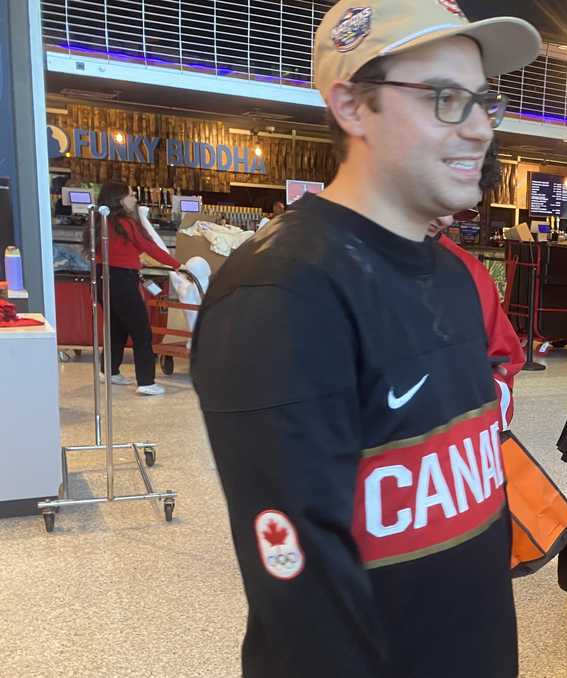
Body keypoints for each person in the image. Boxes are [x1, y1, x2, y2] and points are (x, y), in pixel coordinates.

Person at [189, 1, 541, 677]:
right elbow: (301, 591)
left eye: (482, 102)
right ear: (352, 106)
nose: (478, 129)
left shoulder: (454, 277)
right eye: (444, 99)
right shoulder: (280, 291)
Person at [93, 180, 180, 396]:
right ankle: (146, 382)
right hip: (123, 281)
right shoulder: (126, 223)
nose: (135, 198)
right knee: (141, 331)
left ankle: (109, 370)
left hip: (102, 278)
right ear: (119, 199)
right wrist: (178, 265)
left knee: (116, 327)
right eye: (131, 195)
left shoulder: (99, 222)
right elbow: (148, 246)